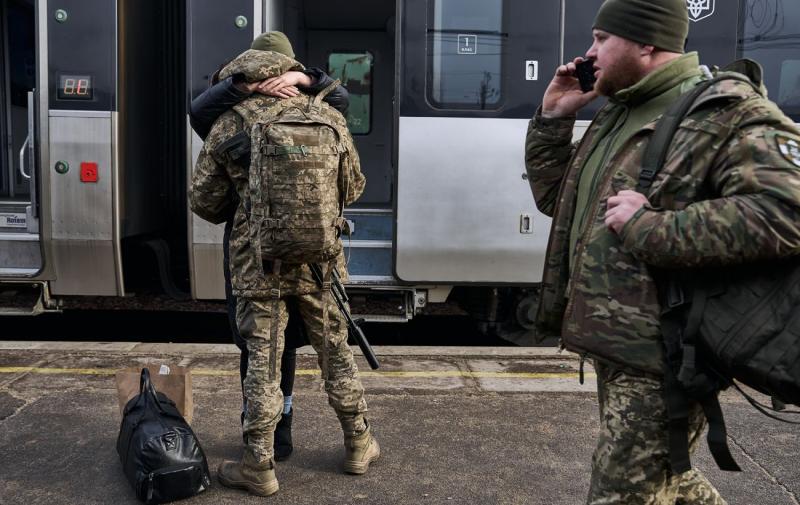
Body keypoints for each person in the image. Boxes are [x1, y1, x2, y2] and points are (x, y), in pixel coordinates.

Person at [524, 0, 800, 503]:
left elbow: (787, 212)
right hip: (617, 345)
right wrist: (553, 120)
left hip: (666, 352)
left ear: (645, 41)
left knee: (623, 491)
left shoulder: (726, 110)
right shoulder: (621, 110)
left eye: (601, 38)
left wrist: (648, 227)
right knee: (670, 477)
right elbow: (560, 203)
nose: (589, 53)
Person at [190, 40, 379, 496]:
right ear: (289, 69)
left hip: (259, 265)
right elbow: (352, 187)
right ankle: (358, 442)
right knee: (335, 352)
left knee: (263, 362)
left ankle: (260, 464)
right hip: (321, 263)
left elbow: (205, 202)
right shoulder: (328, 116)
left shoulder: (230, 122)